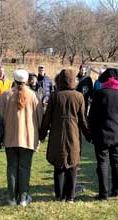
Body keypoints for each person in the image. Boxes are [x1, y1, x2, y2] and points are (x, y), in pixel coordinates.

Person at [40, 69, 90, 203]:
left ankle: (59, 195)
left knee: (58, 165)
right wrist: (88, 135)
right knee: (73, 165)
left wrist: (42, 134)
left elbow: (47, 118)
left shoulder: (55, 96)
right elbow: (83, 120)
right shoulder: (79, 96)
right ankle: (70, 196)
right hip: (73, 134)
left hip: (57, 133)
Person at [0, 69, 43, 207]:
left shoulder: (6, 95)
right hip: (28, 138)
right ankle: (23, 198)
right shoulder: (34, 96)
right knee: (24, 168)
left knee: (11, 167)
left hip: (10, 137)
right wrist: (40, 135)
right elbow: (40, 118)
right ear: (27, 80)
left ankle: (12, 198)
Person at [88, 68, 118, 200]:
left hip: (101, 134)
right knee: (117, 162)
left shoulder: (100, 94)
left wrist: (91, 133)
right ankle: (117, 190)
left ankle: (103, 193)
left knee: (102, 163)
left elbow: (92, 117)